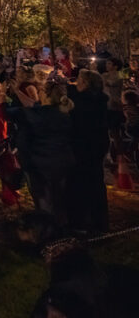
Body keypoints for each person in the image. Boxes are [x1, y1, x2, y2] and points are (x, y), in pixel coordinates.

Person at [4, 79, 74, 226]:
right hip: (61, 161)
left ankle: (48, 233)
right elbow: (32, 106)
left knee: (43, 200)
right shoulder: (65, 114)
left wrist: (3, 99)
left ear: (47, 97)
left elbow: (10, 113)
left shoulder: (38, 115)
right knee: (59, 198)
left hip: (38, 163)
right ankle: (63, 229)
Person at [67, 70, 110, 235]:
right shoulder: (100, 100)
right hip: (97, 145)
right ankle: (99, 222)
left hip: (83, 146)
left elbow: (76, 121)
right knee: (96, 183)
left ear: (85, 83)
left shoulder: (81, 102)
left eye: (79, 80)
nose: (76, 83)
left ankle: (83, 222)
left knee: (81, 184)